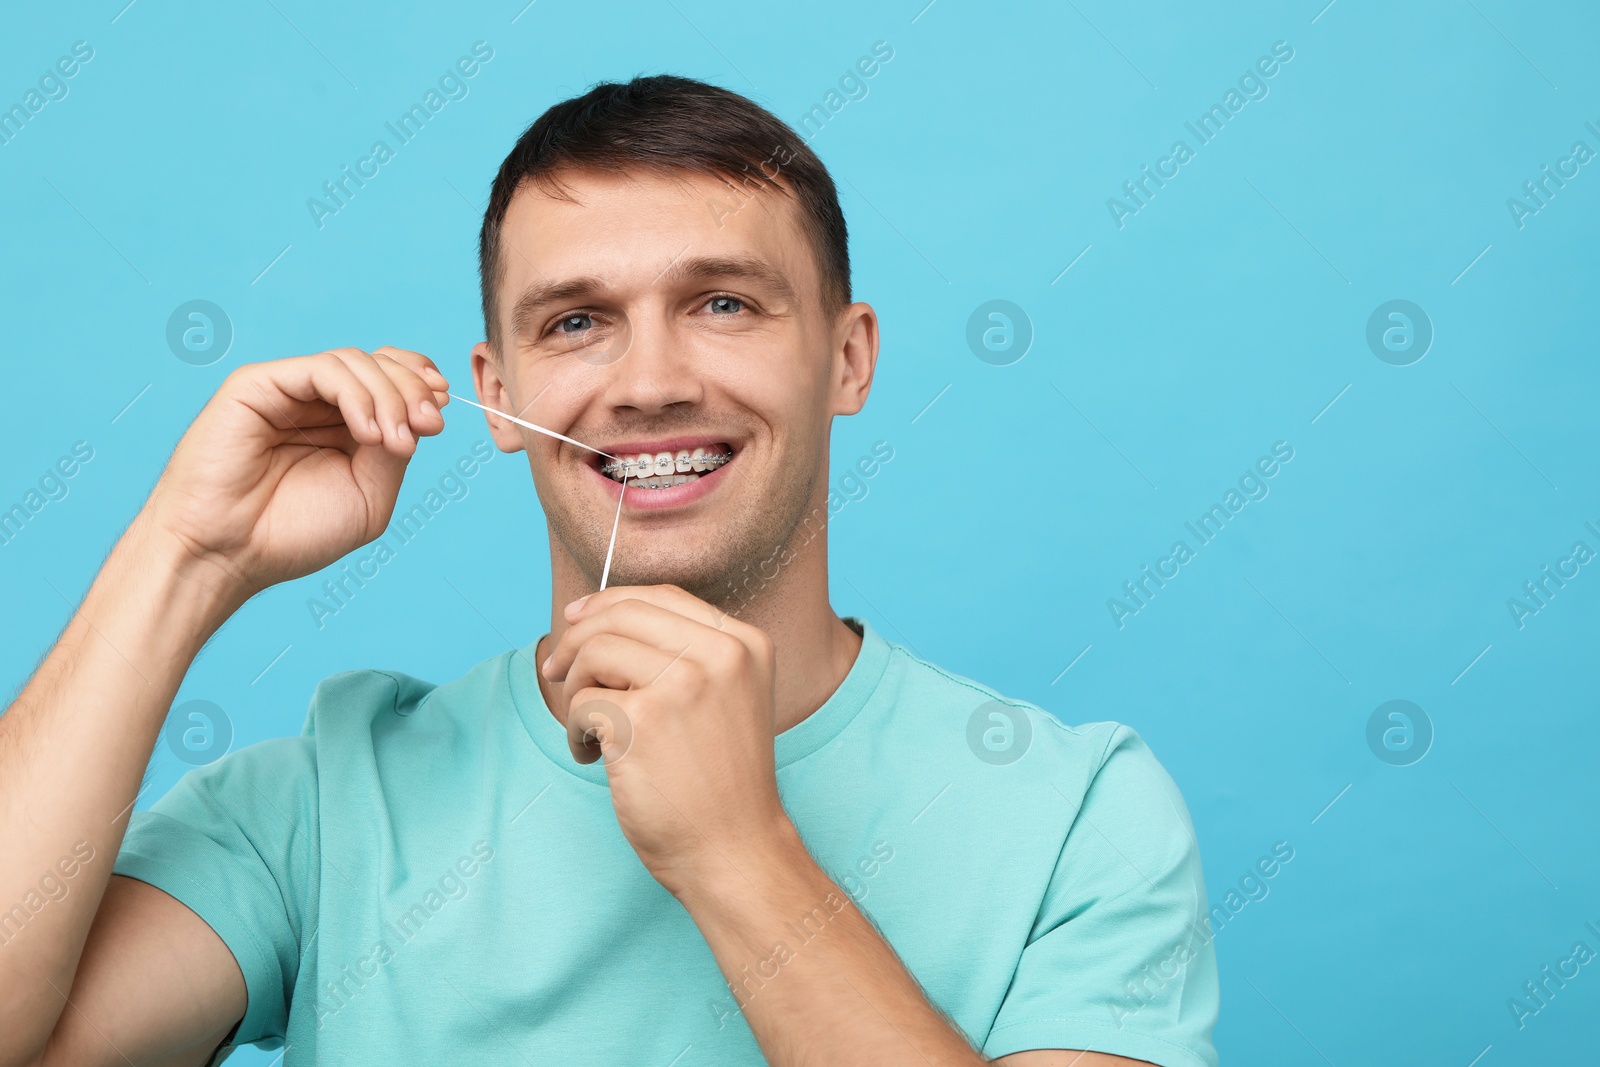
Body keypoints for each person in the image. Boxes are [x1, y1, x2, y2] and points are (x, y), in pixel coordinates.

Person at [0, 75, 1219, 1066]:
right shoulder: (328, 803)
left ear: (847, 360)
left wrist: (738, 850)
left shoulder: (1078, 817)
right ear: (499, 394)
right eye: (575, 321)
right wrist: (183, 555)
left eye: (725, 302)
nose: (648, 382)